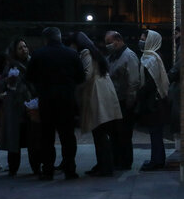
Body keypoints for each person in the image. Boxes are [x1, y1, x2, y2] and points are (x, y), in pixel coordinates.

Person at [25, 27, 85, 180]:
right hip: (66, 99)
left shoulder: (38, 54)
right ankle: (70, 169)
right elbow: (81, 77)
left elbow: (29, 77)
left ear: (45, 39)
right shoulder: (72, 54)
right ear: (59, 37)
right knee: (68, 136)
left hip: (46, 99)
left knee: (46, 137)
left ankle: (48, 170)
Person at [71, 31, 121, 177]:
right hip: (104, 92)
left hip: (96, 94)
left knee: (99, 133)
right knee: (101, 132)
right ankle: (103, 165)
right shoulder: (94, 51)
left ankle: (105, 166)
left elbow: (87, 74)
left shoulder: (85, 52)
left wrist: (75, 85)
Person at [0, 37, 40, 177]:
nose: (24, 50)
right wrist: (8, 80)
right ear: (15, 51)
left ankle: (36, 167)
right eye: (20, 48)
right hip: (15, 107)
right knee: (14, 139)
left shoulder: (33, 63)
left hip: (31, 105)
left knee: (33, 139)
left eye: (25, 46)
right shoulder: (10, 65)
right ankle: (13, 168)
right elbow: (1, 84)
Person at [105, 30, 141, 171]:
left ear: (118, 40)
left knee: (124, 134)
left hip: (124, 101)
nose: (107, 45)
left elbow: (133, 81)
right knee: (114, 134)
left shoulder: (128, 56)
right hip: (114, 101)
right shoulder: (112, 57)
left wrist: (130, 102)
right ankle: (117, 160)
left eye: (109, 42)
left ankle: (125, 162)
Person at [137, 29, 171, 171]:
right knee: (155, 133)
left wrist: (140, 93)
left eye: (143, 39)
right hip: (154, 102)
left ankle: (156, 161)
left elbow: (152, 83)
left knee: (155, 132)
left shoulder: (152, 59)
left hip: (154, 103)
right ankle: (157, 160)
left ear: (151, 41)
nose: (141, 41)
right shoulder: (150, 57)